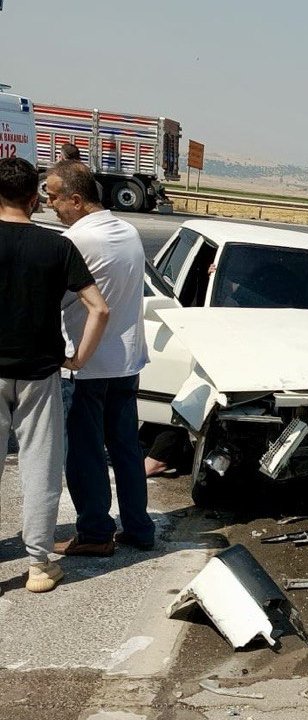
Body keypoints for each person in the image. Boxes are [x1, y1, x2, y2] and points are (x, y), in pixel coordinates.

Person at [0, 157, 109, 592]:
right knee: (40, 469)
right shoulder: (58, 246)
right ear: (34, 199)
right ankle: (39, 565)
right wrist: (78, 359)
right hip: (40, 372)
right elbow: (99, 309)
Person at [45, 160, 153, 557]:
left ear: (76, 199)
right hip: (126, 360)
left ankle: (94, 532)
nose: (50, 205)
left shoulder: (75, 240)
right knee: (126, 449)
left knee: (85, 453)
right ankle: (139, 527)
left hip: (85, 363)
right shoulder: (128, 231)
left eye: (54, 197)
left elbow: (53, 297)